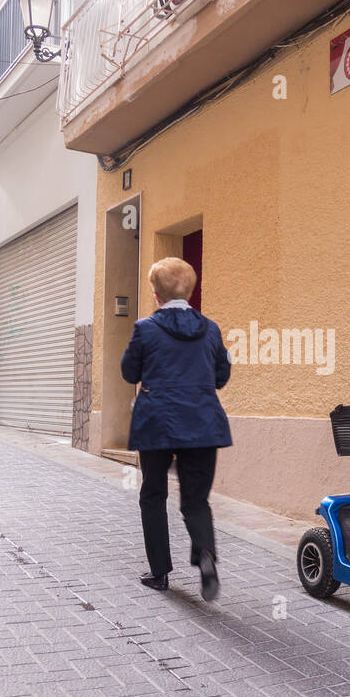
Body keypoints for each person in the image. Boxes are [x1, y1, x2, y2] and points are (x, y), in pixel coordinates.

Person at [121, 257, 231, 600]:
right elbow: (221, 376)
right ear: (191, 290)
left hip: (157, 421)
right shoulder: (211, 329)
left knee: (153, 493)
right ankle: (206, 555)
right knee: (196, 499)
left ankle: (159, 573)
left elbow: (129, 372)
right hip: (202, 421)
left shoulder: (145, 328)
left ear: (156, 295)